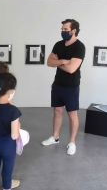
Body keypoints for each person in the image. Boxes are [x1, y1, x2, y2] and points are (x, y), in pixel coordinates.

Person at [42, 19, 86, 156]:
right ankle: (55, 137)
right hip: (58, 84)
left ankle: (72, 142)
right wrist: (63, 61)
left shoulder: (80, 47)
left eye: (65, 29)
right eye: (62, 29)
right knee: (57, 111)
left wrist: (57, 62)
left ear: (74, 31)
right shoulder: (58, 44)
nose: (63, 31)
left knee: (72, 115)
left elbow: (72, 69)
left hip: (71, 86)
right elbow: (49, 62)